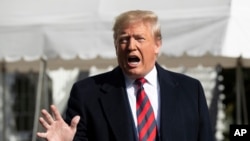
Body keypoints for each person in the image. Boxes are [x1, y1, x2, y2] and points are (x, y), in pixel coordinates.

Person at [37, 10, 213, 141]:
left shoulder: (190, 90)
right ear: (115, 46)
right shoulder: (87, 94)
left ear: (157, 45)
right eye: (123, 39)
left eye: (139, 38)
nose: (130, 46)